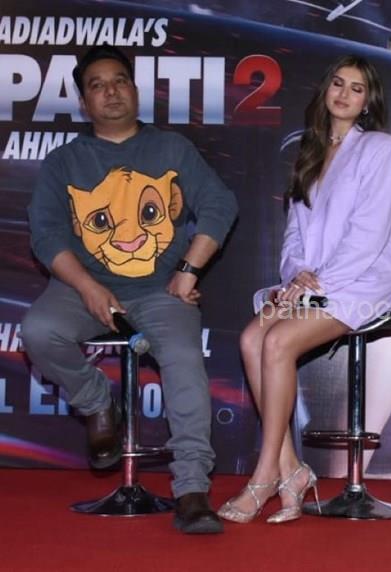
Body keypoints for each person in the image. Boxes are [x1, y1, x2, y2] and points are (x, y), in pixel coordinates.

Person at [21, 44, 238, 534]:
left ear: (135, 91)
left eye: (119, 80)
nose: (111, 92)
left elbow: (219, 205)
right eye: (97, 85)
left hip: (161, 290)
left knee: (184, 360)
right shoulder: (64, 162)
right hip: (83, 288)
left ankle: (191, 490)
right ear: (84, 103)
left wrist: (189, 270)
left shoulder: (171, 149)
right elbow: (46, 235)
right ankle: (98, 402)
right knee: (38, 330)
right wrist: (88, 287)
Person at [217, 54, 391, 524]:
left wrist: (316, 283)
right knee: (251, 338)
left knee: (278, 341)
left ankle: (264, 476)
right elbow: (294, 235)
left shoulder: (381, 147)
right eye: (337, 83)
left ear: (367, 102)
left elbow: (369, 234)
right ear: (325, 91)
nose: (344, 94)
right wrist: (298, 275)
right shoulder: (310, 149)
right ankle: (292, 470)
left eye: (357, 88)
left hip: (362, 279)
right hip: (311, 281)